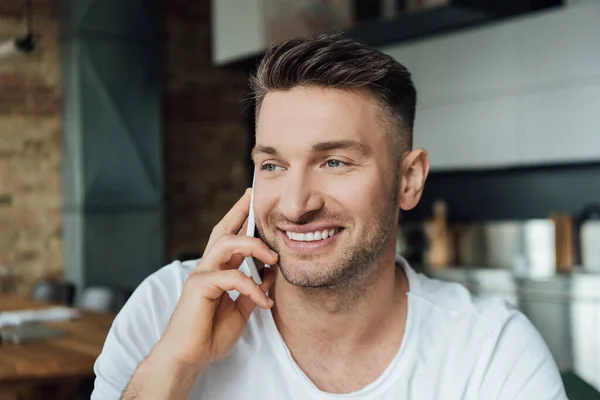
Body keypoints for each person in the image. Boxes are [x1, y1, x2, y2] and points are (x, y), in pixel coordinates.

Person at [91, 33, 566, 400]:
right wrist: (174, 364)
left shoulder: (491, 352)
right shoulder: (165, 310)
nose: (296, 206)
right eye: (272, 165)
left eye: (334, 162)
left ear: (409, 180)